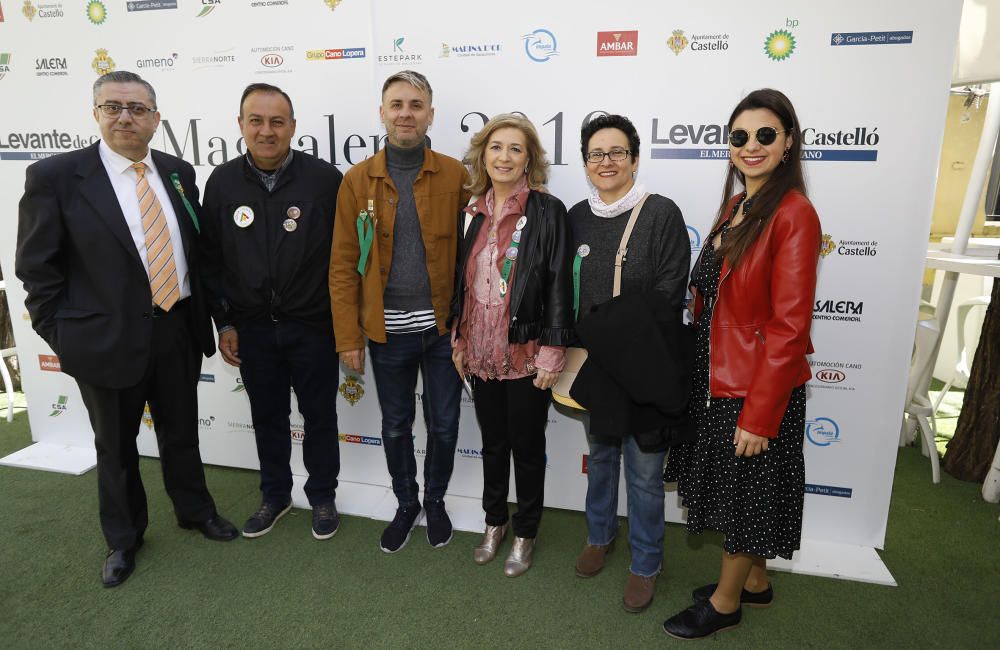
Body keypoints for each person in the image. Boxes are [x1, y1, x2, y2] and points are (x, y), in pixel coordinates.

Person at [15, 71, 238, 588]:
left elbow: (198, 253)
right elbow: (37, 270)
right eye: (113, 107)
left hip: (177, 327)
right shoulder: (56, 177)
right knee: (115, 447)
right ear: (95, 114)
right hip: (103, 339)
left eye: (137, 109)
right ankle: (124, 538)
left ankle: (194, 510)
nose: (125, 117)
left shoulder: (179, 173)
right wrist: (64, 336)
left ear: (156, 120)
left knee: (182, 432)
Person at [662, 89, 821, 639]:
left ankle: (726, 602)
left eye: (765, 135)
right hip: (718, 376)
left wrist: (760, 413)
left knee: (745, 494)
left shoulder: (794, 213)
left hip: (756, 385)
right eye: (739, 137)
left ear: (788, 142)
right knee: (744, 487)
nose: (751, 146)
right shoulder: (737, 206)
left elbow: (790, 328)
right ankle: (755, 582)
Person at [330, 70, 471, 553]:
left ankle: (434, 501)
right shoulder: (356, 180)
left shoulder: (456, 175)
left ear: (431, 113)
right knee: (395, 424)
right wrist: (348, 336)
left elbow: (477, 255)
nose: (406, 113)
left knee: (446, 423)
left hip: (443, 330)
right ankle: (405, 502)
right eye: (397, 104)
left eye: (416, 104)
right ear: (382, 113)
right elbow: (343, 265)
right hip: (386, 332)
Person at [200, 83, 343, 540]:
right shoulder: (221, 183)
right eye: (256, 121)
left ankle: (322, 496)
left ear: (293, 127)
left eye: (277, 121)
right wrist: (225, 321)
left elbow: (343, 259)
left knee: (320, 416)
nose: (266, 131)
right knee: (268, 417)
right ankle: (275, 496)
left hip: (314, 327)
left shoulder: (324, 180)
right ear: (240, 125)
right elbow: (211, 260)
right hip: (253, 330)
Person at [568, 114, 691, 612]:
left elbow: (669, 291)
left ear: (635, 159)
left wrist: (615, 331)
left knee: (643, 472)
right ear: (584, 163)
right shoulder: (574, 215)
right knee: (600, 458)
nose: (607, 162)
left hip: (644, 365)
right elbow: (563, 287)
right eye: (597, 154)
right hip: (596, 366)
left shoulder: (661, 214)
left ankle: (646, 562)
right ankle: (599, 537)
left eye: (617, 152)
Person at [449, 114, 573, 577]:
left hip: (524, 352)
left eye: (515, 149)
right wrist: (458, 335)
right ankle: (494, 522)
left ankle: (526, 532)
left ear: (530, 159)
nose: (504, 156)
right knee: (493, 443)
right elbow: (460, 282)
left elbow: (560, 283)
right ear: (484, 154)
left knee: (526, 445)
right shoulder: (470, 211)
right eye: (496, 147)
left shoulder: (547, 210)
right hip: (478, 353)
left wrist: (552, 351)